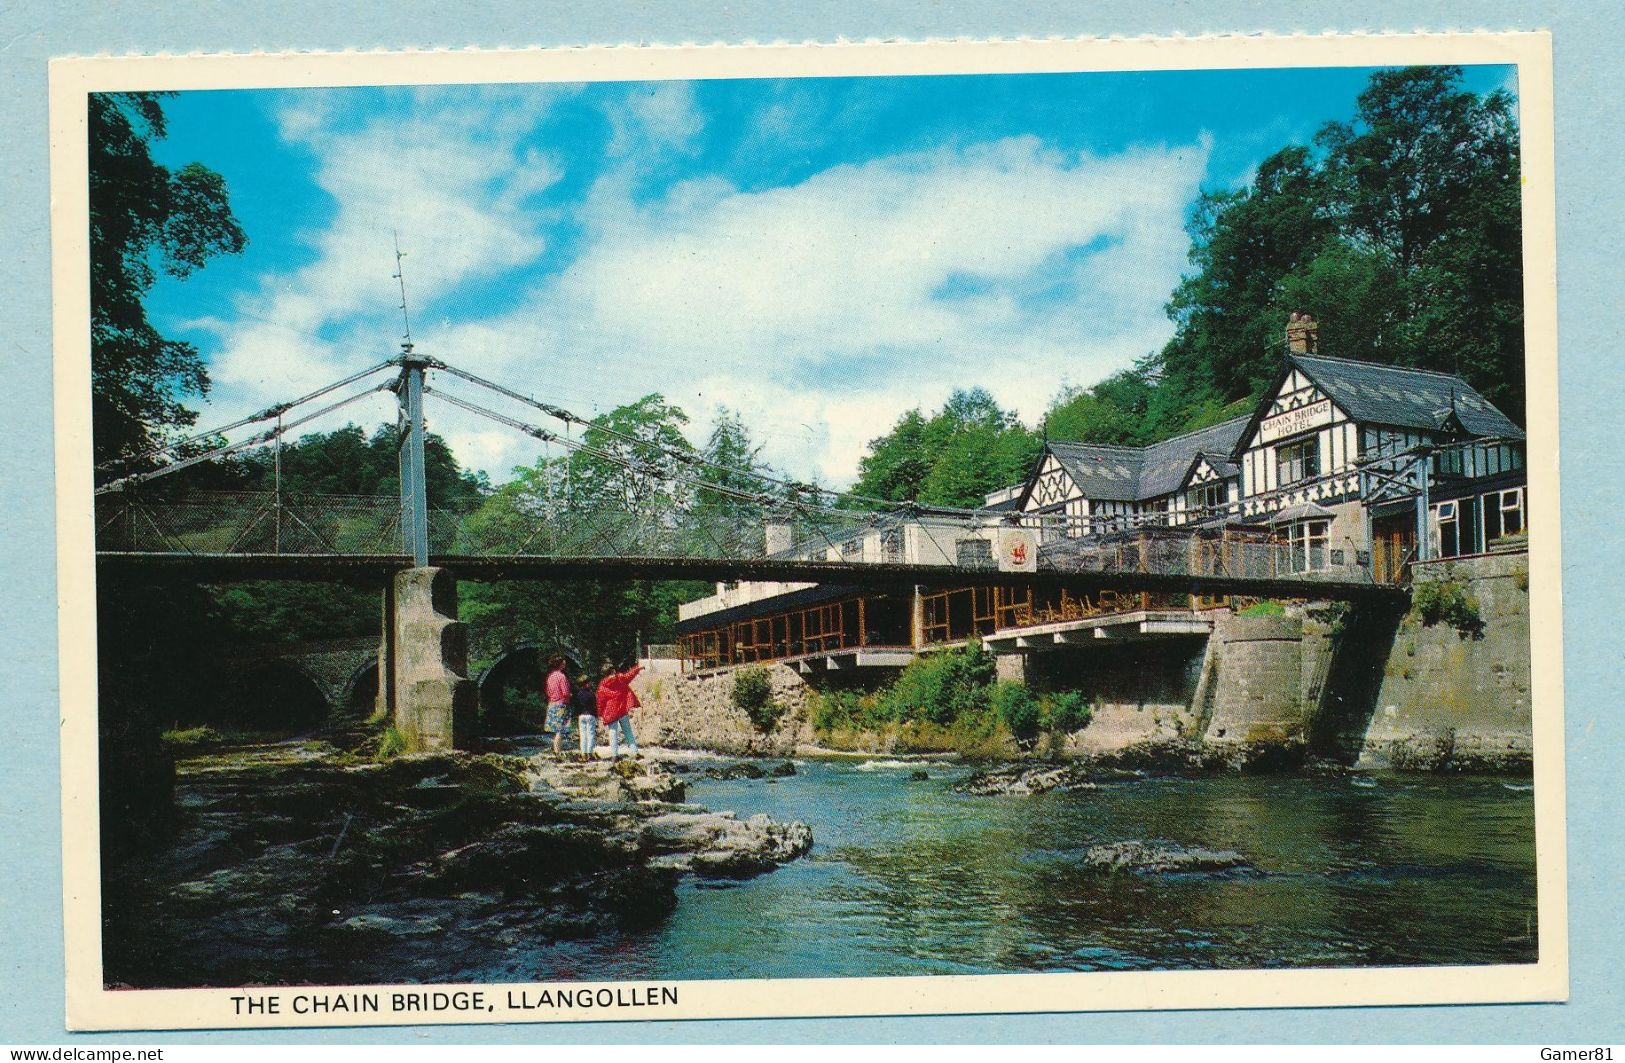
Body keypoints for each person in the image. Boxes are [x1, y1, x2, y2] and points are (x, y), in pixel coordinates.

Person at [596, 659, 643, 759]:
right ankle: (635, 752)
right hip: (622, 710)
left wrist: (600, 714)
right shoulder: (620, 678)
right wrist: (637, 668)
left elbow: (600, 702)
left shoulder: (602, 686)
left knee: (613, 733)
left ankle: (614, 755)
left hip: (611, 712)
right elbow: (629, 675)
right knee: (628, 731)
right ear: (613, 671)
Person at [543, 656, 573, 757]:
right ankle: (557, 752)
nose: (565, 665)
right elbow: (565, 692)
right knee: (560, 730)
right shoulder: (562, 676)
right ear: (560, 665)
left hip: (551, 704)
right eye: (564, 663)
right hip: (561, 704)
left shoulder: (550, 676)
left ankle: (555, 750)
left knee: (555, 730)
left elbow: (547, 691)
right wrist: (570, 695)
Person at [571, 672, 597, 761]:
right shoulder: (591, 694)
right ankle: (590, 753)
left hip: (581, 715)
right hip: (590, 714)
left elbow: (576, 705)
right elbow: (595, 705)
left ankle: (583, 753)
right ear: (586, 683)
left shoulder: (578, 694)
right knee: (590, 734)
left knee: (582, 736)